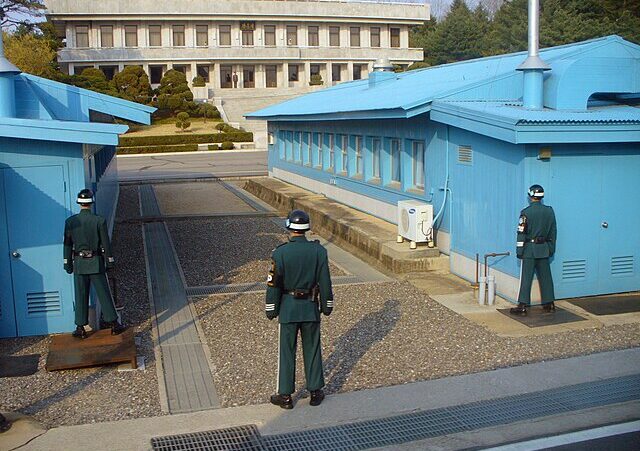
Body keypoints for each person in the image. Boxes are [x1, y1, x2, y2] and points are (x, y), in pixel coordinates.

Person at [266, 210, 334, 409]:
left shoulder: (279, 253)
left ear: (289, 227)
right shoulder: (319, 252)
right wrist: (327, 305)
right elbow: (325, 282)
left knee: (287, 352)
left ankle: (285, 395)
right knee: (312, 349)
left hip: (288, 308)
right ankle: (315, 391)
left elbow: (274, 285)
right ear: (307, 228)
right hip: (311, 307)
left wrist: (271, 309)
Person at [64, 189, 125, 337]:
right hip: (96, 262)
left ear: (79, 203)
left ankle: (80, 327)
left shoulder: (70, 222)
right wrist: (109, 261)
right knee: (104, 294)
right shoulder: (99, 220)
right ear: (91, 203)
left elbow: (67, 245)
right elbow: (106, 244)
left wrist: (68, 263)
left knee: (80, 295)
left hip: (79, 263)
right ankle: (114, 324)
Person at [511, 184, 557, 316]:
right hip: (544, 249)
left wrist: (519, 251)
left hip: (529, 250)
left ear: (530, 196)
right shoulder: (549, 211)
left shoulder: (526, 212)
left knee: (526, 278)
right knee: (546, 277)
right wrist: (551, 248)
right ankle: (549, 303)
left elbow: (521, 233)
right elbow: (553, 231)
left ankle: (523, 305)